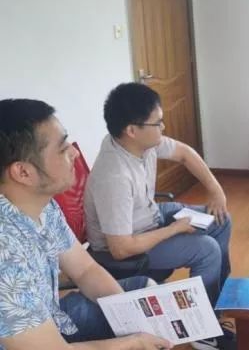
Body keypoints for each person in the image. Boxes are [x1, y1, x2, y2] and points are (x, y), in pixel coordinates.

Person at [0, 99, 171, 350]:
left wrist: (130, 318)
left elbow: (85, 270)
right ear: (23, 172)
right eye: (62, 148)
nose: (75, 153)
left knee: (140, 295)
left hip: (50, 321)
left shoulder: (42, 205)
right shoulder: (5, 255)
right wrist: (134, 341)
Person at [83, 83, 233, 350]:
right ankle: (202, 330)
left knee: (220, 218)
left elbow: (185, 153)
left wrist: (216, 191)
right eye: (158, 123)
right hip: (129, 245)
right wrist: (175, 229)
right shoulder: (114, 176)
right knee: (206, 249)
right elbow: (120, 248)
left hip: (150, 217)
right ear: (132, 130)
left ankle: (215, 305)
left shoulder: (139, 143)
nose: (163, 127)